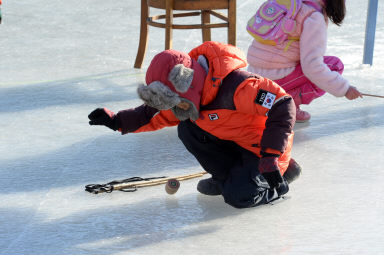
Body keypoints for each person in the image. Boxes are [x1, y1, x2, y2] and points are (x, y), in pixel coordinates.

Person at [88, 41, 301, 208]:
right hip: (235, 144)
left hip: (264, 154)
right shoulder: (186, 102)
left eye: (176, 101)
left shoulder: (238, 86)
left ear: (188, 83)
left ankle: (281, 179)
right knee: (188, 128)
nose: (175, 107)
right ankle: (225, 178)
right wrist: (116, 121)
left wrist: (271, 155)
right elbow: (154, 115)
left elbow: (283, 104)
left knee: (239, 197)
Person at [246, 0, 362, 122]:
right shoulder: (312, 17)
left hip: (254, 80)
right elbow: (312, 66)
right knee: (334, 65)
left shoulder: (287, 3)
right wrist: (344, 88)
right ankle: (284, 105)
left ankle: (272, 102)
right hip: (274, 81)